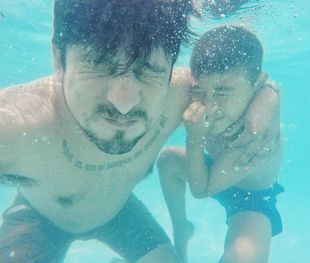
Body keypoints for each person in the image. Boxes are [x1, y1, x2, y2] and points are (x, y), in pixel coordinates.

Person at [0, 1, 198, 262]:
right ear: (59, 59)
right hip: (39, 215)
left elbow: (246, 84)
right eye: (99, 64)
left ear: (171, 71)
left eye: (148, 70)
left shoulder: (184, 94)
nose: (124, 103)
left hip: (120, 212)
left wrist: (267, 97)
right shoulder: (19, 125)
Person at [157, 25, 284, 263]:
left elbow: (201, 190)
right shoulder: (218, 98)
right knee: (168, 161)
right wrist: (273, 91)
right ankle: (181, 228)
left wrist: (194, 138)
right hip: (213, 171)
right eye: (199, 90)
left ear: (257, 84)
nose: (209, 105)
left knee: (242, 259)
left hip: (251, 199)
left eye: (223, 92)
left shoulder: (254, 132)